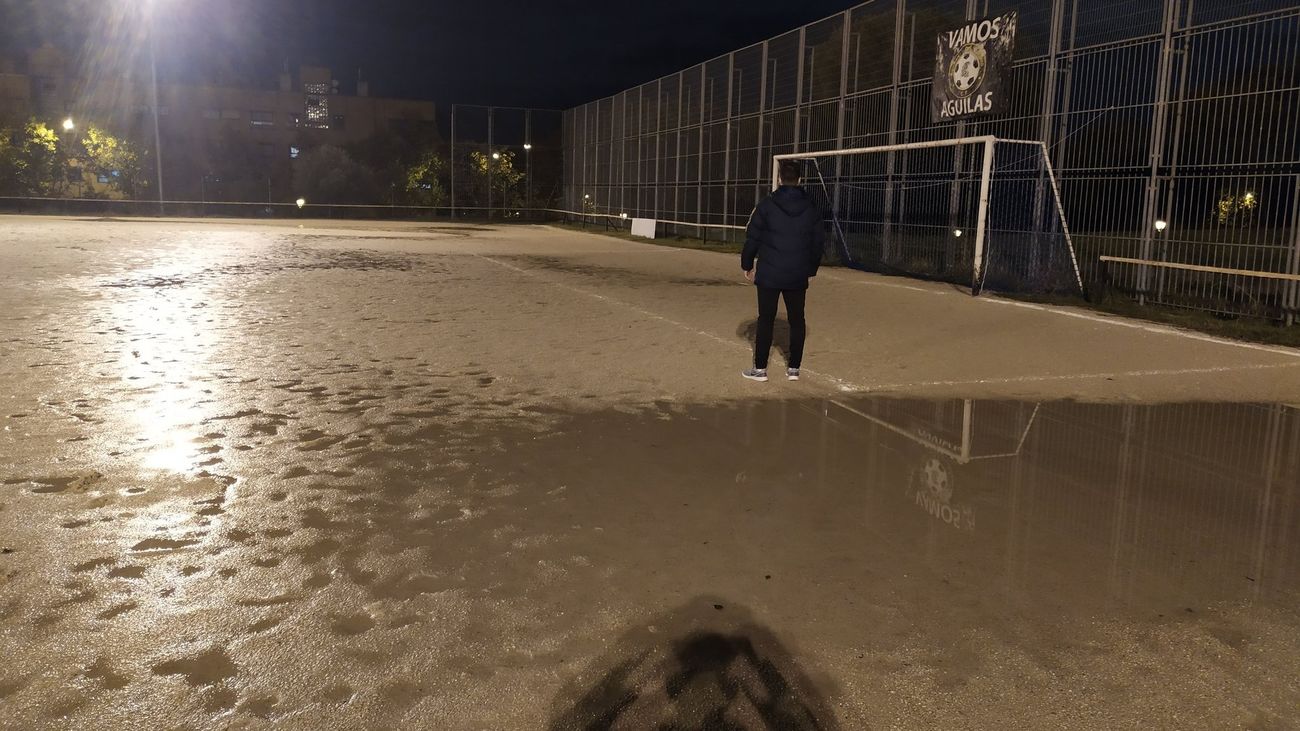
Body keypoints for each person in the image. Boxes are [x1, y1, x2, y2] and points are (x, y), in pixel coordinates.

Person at [740, 160, 826, 382]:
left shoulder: (766, 205)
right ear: (800, 180)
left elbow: (753, 236)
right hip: (797, 272)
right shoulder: (811, 207)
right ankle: (794, 369)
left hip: (769, 271)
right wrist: (810, 269)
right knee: (797, 320)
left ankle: (760, 370)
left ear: (779, 179)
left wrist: (747, 264)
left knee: (766, 319)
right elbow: (818, 243)